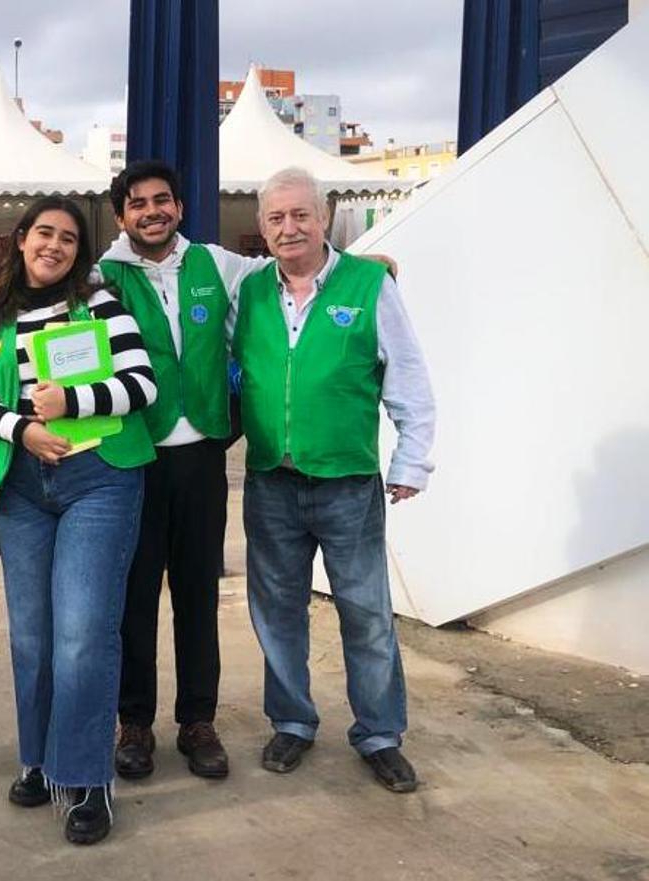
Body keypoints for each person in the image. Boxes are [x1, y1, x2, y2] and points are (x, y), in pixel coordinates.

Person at [0, 196, 158, 845]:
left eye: (69, 238)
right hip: (21, 484)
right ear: (21, 240)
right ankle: (41, 760)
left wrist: (72, 398)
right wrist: (23, 429)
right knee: (32, 637)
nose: (55, 245)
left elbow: (141, 383)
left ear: (79, 252)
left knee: (82, 633)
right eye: (44, 232)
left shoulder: (97, 304)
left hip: (98, 478)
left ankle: (86, 778)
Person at [231, 166, 434, 792]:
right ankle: (292, 721)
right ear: (261, 227)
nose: (289, 228)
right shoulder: (250, 289)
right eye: (276, 218)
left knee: (366, 613)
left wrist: (412, 461)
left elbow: (408, 377)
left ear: (324, 217)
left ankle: (379, 733)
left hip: (348, 483)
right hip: (271, 481)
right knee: (277, 612)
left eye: (301, 215)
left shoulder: (369, 283)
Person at [98, 160, 273, 780]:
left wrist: (367, 262)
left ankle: (198, 720)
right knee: (134, 595)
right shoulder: (102, 277)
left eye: (162, 200)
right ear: (121, 216)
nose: (153, 211)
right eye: (138, 203)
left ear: (179, 206)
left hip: (202, 457)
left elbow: (292, 271)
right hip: (133, 458)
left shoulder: (218, 264)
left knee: (198, 593)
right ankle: (135, 722)